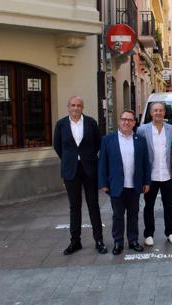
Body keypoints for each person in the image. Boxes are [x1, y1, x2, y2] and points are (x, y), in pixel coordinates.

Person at [53, 96, 107, 255]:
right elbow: (57, 146)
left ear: (83, 107)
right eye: (73, 105)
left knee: (93, 205)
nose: (75, 108)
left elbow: (98, 144)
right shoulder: (61, 124)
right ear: (68, 107)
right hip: (71, 170)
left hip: (89, 169)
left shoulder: (91, 123)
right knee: (74, 207)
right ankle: (75, 241)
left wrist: (87, 157)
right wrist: (70, 160)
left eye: (78, 106)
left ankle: (99, 240)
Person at [98, 110, 151, 255]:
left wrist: (147, 182)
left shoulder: (140, 140)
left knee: (133, 214)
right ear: (119, 121)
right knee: (118, 215)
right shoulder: (108, 140)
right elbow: (102, 163)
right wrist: (102, 182)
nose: (126, 122)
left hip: (134, 185)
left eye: (130, 120)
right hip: (116, 185)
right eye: (124, 119)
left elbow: (145, 163)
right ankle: (118, 242)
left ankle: (133, 240)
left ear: (134, 123)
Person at [136, 102, 172, 246]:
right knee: (149, 206)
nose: (158, 113)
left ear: (165, 113)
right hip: (151, 176)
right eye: (155, 110)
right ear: (151, 113)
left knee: (169, 206)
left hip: (167, 175)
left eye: (161, 110)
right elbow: (139, 154)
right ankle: (148, 234)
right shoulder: (142, 130)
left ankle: (170, 232)